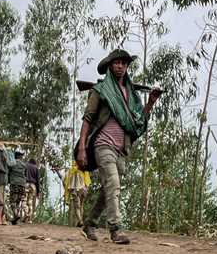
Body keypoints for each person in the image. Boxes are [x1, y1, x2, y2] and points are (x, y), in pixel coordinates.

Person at [76, 49, 162, 244]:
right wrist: (82, 147)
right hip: (102, 144)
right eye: (116, 63)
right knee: (113, 184)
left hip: (122, 148)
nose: (120, 66)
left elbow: (139, 122)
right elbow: (87, 119)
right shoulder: (100, 91)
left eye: (124, 63)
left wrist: (150, 102)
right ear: (109, 66)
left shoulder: (131, 94)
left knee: (108, 189)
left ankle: (90, 223)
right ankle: (115, 229)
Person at [62, 161, 91, 227]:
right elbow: (87, 181)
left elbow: (64, 180)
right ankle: (81, 221)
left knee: (77, 207)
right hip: (83, 190)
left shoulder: (71, 171)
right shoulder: (84, 170)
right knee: (81, 205)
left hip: (75, 191)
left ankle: (80, 221)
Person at [8, 149, 27, 225]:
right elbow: (25, 175)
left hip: (14, 183)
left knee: (12, 201)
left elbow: (9, 172)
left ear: (15, 156)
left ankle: (16, 215)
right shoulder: (24, 165)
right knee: (18, 201)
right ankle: (15, 218)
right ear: (21, 157)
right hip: (22, 184)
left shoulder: (12, 163)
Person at [23, 158, 40, 224]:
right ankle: (30, 219)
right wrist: (38, 192)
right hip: (33, 186)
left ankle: (26, 214)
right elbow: (38, 181)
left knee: (24, 200)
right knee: (30, 201)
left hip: (26, 184)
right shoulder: (36, 168)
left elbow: (23, 175)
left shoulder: (25, 165)